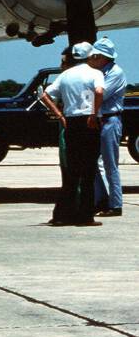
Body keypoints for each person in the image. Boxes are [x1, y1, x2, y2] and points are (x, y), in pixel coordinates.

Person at [41, 42, 106, 227]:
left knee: (72, 172)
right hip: (89, 122)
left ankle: (61, 214)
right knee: (88, 171)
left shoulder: (65, 75)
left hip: (71, 122)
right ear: (90, 56)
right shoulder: (95, 73)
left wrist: (60, 115)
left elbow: (45, 95)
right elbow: (99, 91)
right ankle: (85, 216)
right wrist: (94, 113)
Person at [91, 37, 126, 217]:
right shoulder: (98, 72)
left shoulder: (115, 73)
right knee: (94, 163)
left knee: (110, 164)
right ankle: (101, 200)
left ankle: (115, 204)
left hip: (110, 120)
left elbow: (101, 95)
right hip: (99, 120)